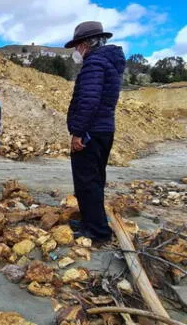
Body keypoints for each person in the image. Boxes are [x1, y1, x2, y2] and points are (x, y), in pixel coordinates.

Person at [64, 21, 126, 243]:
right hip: (103, 129)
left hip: (90, 132)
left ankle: (98, 232)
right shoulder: (108, 63)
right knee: (95, 179)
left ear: (85, 44)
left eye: (77, 46)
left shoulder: (94, 64)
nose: (76, 52)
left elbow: (89, 101)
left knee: (86, 181)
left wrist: (78, 132)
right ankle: (90, 221)